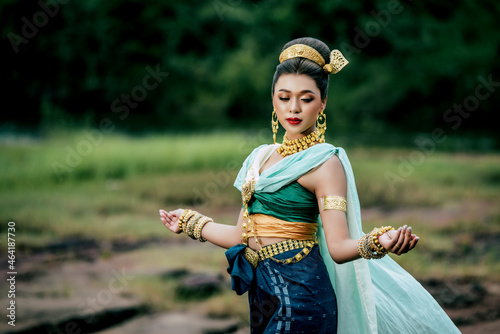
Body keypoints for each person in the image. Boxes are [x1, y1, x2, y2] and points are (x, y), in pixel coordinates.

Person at [159, 37, 461, 333]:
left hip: (304, 297)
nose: (293, 108)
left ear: (323, 102)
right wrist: (189, 222)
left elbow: (340, 248)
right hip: (262, 295)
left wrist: (380, 241)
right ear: (273, 99)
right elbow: (241, 235)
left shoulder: (325, 163)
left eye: (306, 98)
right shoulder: (258, 157)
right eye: (283, 97)